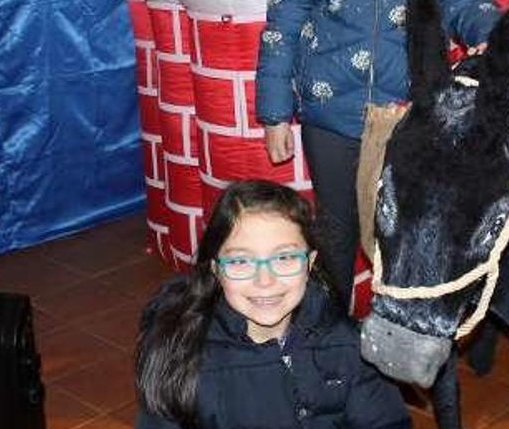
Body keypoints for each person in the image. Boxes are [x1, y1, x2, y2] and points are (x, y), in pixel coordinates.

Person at [255, 0, 502, 307]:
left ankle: (396, 343)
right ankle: (331, 337)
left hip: (411, 112)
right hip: (330, 114)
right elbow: (284, 19)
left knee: (408, 233)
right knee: (334, 235)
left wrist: (490, 36)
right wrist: (275, 113)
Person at [134, 180, 410, 429]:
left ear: (310, 263)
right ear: (217, 271)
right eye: (241, 261)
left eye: (284, 258)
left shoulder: (347, 345)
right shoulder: (182, 354)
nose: (264, 281)